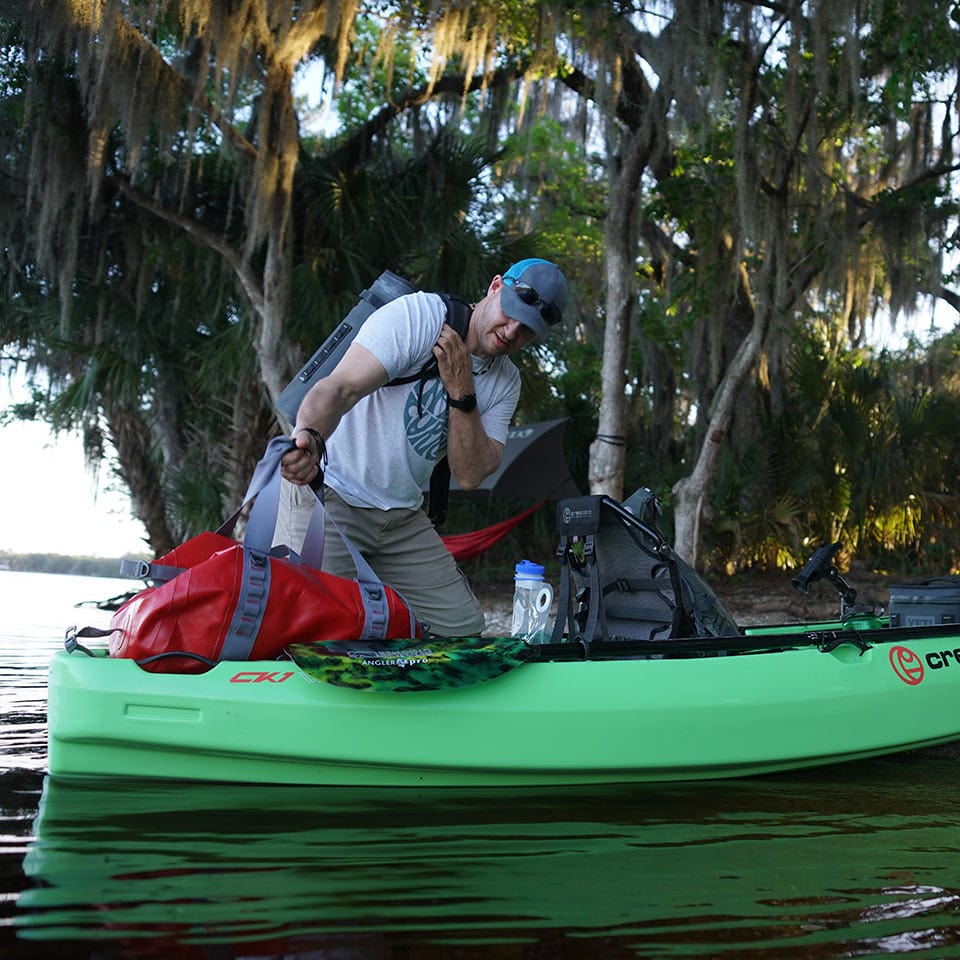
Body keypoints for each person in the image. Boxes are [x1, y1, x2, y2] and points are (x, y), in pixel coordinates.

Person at [277, 258, 569, 636]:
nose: (511, 332)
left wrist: (461, 393)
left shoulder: (505, 382)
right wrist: (312, 438)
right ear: (495, 286)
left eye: (527, 330)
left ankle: (396, 677)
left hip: (400, 516)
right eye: (510, 313)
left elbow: (469, 474)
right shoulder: (422, 316)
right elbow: (339, 387)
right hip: (331, 495)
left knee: (461, 629)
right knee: (310, 628)